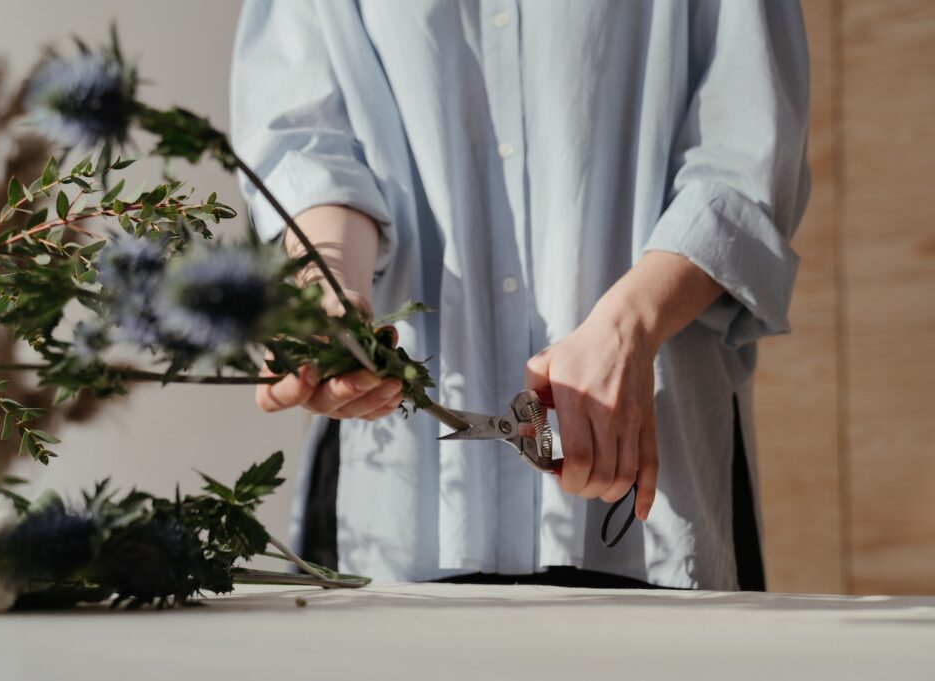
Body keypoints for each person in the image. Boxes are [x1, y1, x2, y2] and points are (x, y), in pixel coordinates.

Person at [230, 0, 810, 591]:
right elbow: (310, 143)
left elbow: (744, 148)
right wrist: (329, 286)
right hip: (400, 505)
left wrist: (630, 325)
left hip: (647, 497)